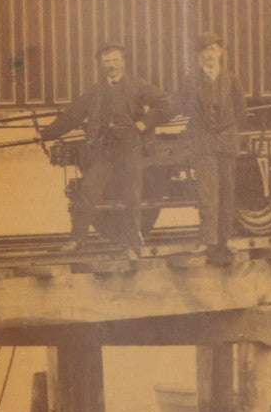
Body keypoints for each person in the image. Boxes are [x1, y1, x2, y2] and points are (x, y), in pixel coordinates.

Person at [39, 43, 168, 260]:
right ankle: (77, 239)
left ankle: (131, 246)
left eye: (115, 60)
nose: (111, 65)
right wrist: (46, 133)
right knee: (88, 192)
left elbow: (164, 102)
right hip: (105, 152)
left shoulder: (138, 85)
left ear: (123, 62)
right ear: (101, 64)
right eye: (107, 61)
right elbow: (72, 116)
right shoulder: (95, 91)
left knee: (132, 196)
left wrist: (144, 124)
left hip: (131, 149)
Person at [172, 33, 248, 254]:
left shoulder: (232, 80)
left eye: (213, 50)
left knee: (227, 192)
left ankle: (223, 242)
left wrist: (230, 134)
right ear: (200, 55)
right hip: (203, 143)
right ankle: (208, 240)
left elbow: (241, 112)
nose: (210, 55)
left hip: (226, 142)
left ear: (221, 53)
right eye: (205, 50)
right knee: (208, 193)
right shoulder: (191, 81)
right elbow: (181, 106)